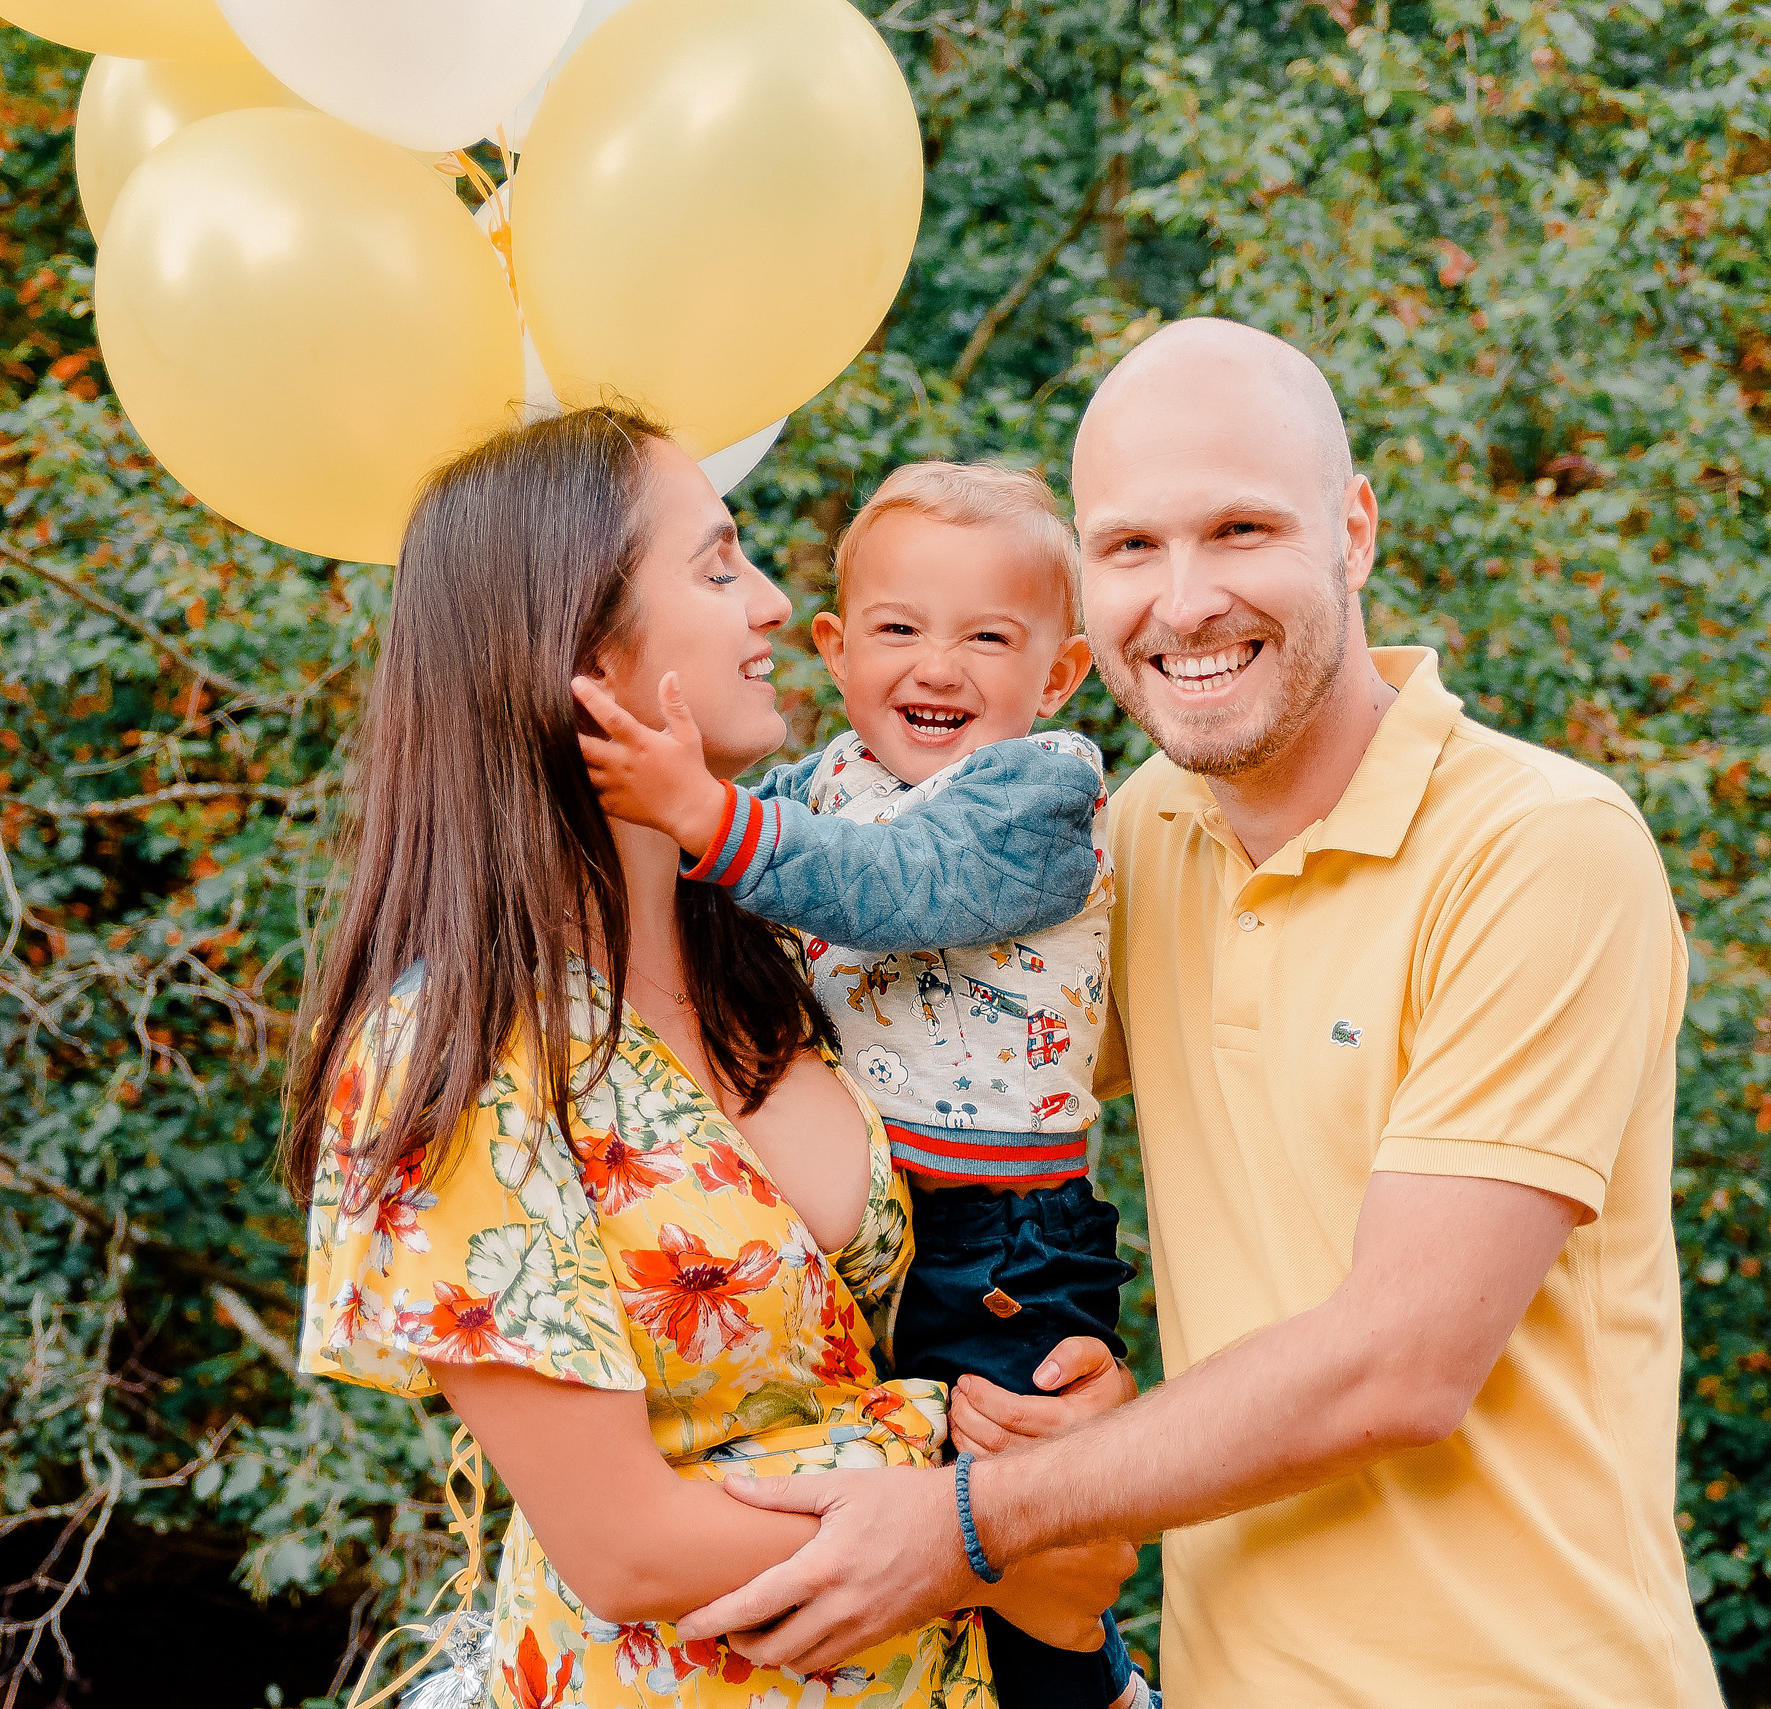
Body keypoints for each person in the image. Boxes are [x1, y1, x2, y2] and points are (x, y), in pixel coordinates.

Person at [676, 320, 1727, 1708]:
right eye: (1128, 548)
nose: (1182, 603)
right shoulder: (1140, 836)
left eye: (1240, 530)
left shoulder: (1538, 847)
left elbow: (1396, 1367)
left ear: (1353, 531)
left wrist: (976, 1522)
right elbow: (929, 1090)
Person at [282, 408, 1133, 1707]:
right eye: (721, 564)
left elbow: (917, 1341)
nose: (781, 606)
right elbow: (626, 1548)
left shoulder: (782, 957)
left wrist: (1067, 1434)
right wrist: (1006, 1526)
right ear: (578, 640)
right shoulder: (453, 1054)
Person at [573, 461, 1147, 1709]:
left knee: (1023, 1523)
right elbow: (718, 869)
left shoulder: (1038, 790)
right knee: (901, 1476)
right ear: (836, 650)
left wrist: (699, 810)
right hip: (886, 1216)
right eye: (898, 629)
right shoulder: (824, 781)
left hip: (1002, 1235)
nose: (936, 667)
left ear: (1057, 674)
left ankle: (1095, 1693)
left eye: (987, 638)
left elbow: (895, 888)